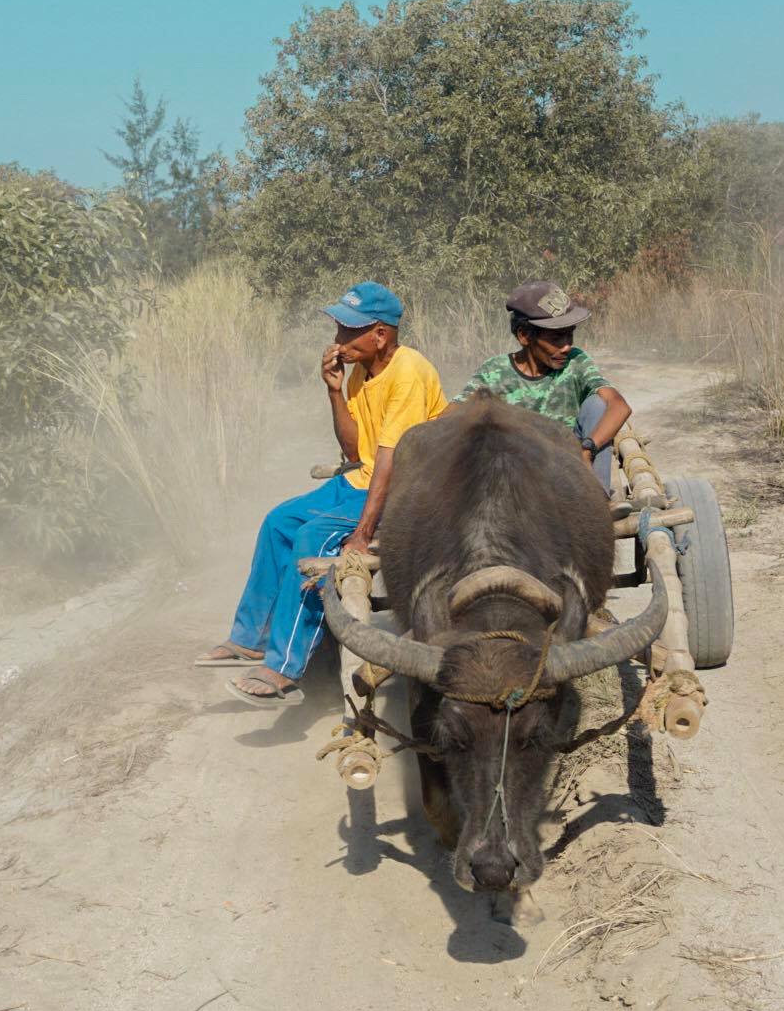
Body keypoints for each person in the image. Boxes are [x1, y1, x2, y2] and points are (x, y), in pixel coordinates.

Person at [194, 281, 447, 706]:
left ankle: (284, 668)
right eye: (338, 329)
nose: (338, 341)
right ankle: (252, 638)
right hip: (360, 480)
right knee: (278, 522)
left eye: (348, 331)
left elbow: (391, 462)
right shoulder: (361, 372)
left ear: (380, 335)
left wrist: (364, 533)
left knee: (314, 537)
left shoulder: (409, 371)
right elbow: (354, 450)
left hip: (405, 490)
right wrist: (334, 388)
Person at [453, 280, 631, 492]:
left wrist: (587, 449)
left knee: (597, 405)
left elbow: (619, 406)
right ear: (524, 336)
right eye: (556, 338)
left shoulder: (576, 362)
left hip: (570, 467)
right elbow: (450, 415)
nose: (567, 346)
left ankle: (598, 496)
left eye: (570, 334)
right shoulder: (495, 371)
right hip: (514, 474)